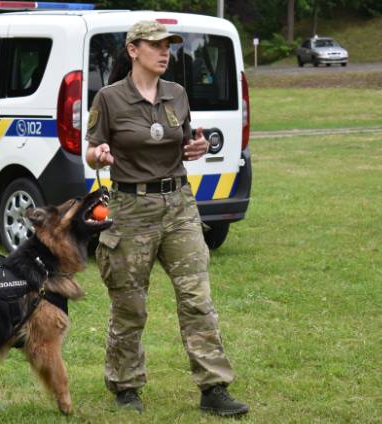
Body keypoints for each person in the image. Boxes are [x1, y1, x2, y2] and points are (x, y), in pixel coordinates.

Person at [85, 20, 249, 418]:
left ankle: (214, 388)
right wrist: (100, 155)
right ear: (133, 50)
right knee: (130, 306)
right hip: (131, 210)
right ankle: (126, 386)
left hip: (178, 205)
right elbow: (89, 150)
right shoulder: (109, 98)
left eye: (168, 46)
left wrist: (194, 148)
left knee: (197, 299)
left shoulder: (177, 94)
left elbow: (187, 140)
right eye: (156, 45)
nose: (165, 52)